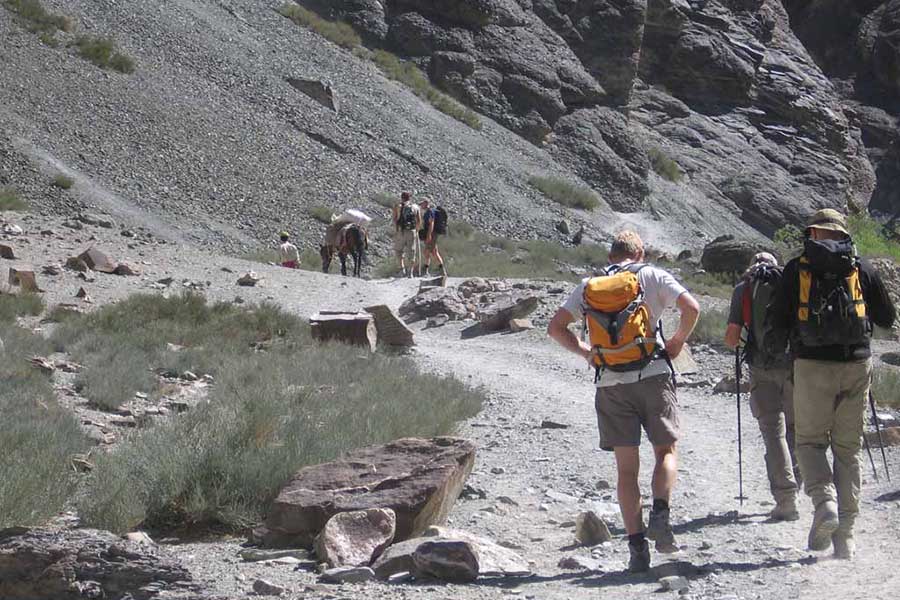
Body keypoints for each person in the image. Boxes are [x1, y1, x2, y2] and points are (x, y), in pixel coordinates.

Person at [548, 231, 700, 573]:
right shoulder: (652, 275)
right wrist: (676, 342)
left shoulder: (589, 284)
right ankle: (661, 513)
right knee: (665, 452)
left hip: (611, 383)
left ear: (611, 255)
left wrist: (587, 352)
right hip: (654, 374)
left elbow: (556, 328)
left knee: (626, 469)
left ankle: (636, 550)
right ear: (640, 252)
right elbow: (691, 308)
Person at [766, 209, 896, 559]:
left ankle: (824, 502)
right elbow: (887, 317)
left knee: (809, 442)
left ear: (813, 233)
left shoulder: (797, 268)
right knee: (848, 449)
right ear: (842, 233)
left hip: (810, 365)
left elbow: (776, 322)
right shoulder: (861, 267)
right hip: (856, 364)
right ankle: (846, 537)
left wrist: (776, 357)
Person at [724, 253, 800, 521]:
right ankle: (799, 482)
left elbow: (732, 339)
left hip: (762, 367)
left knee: (773, 432)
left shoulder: (744, 288)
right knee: (794, 428)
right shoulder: (790, 282)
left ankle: (786, 498)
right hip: (795, 367)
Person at [392, 191, 422, 277]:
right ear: (410, 198)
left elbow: (394, 219)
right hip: (412, 231)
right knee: (412, 252)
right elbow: (419, 221)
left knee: (398, 250)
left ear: (402, 197)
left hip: (401, 231)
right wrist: (416, 230)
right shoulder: (416, 207)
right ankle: (410, 272)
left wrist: (396, 229)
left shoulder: (398, 206)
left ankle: (402, 270)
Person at [418, 198, 446, 277]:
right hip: (433, 234)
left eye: (422, 204)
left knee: (429, 251)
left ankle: (428, 270)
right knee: (433, 252)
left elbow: (431, 224)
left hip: (432, 234)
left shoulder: (430, 212)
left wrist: (429, 235)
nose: (421, 206)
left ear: (426, 203)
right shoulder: (431, 211)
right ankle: (440, 270)